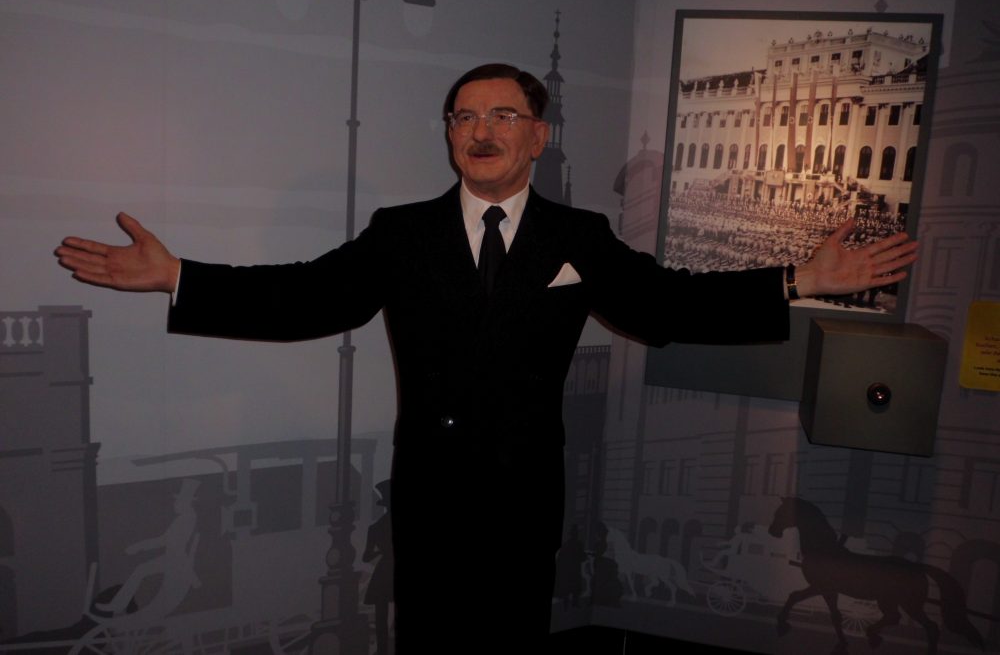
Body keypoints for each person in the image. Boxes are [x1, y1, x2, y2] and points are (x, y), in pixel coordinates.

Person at [55, 63, 918, 652]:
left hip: (523, 493)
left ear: (538, 136)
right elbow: (307, 296)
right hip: (430, 492)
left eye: (503, 115)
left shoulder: (578, 235)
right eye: (464, 116)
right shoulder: (402, 233)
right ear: (449, 135)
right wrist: (180, 276)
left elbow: (664, 303)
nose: (480, 129)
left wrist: (800, 277)